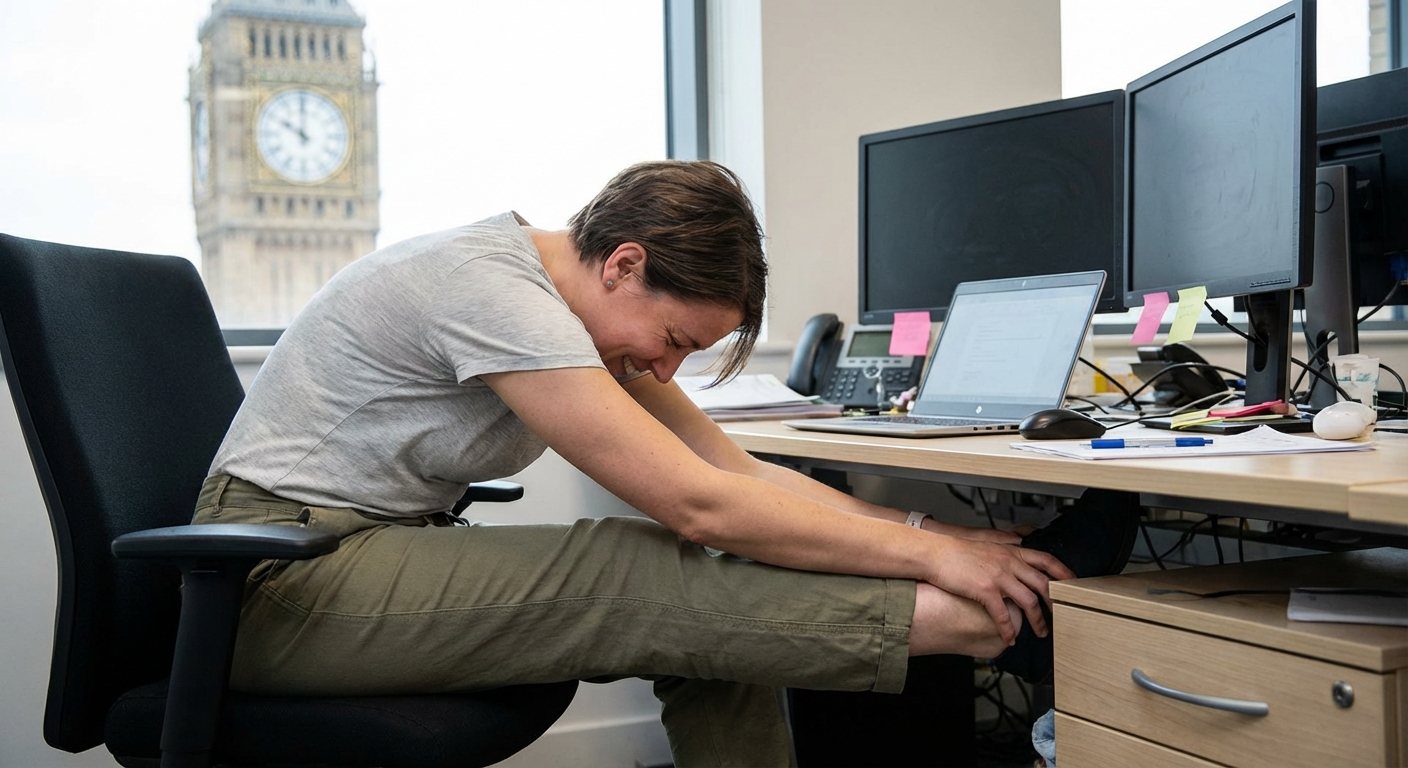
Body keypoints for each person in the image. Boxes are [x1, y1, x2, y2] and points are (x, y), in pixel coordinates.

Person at [192, 160, 1133, 767]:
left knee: (716, 624)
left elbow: (739, 473)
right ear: (624, 264)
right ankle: (1001, 623)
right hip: (274, 583)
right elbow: (699, 508)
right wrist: (942, 569)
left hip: (354, 563)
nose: (666, 367)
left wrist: (937, 530)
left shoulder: (583, 320)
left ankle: (1001, 596)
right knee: (631, 564)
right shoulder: (487, 289)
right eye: (675, 338)